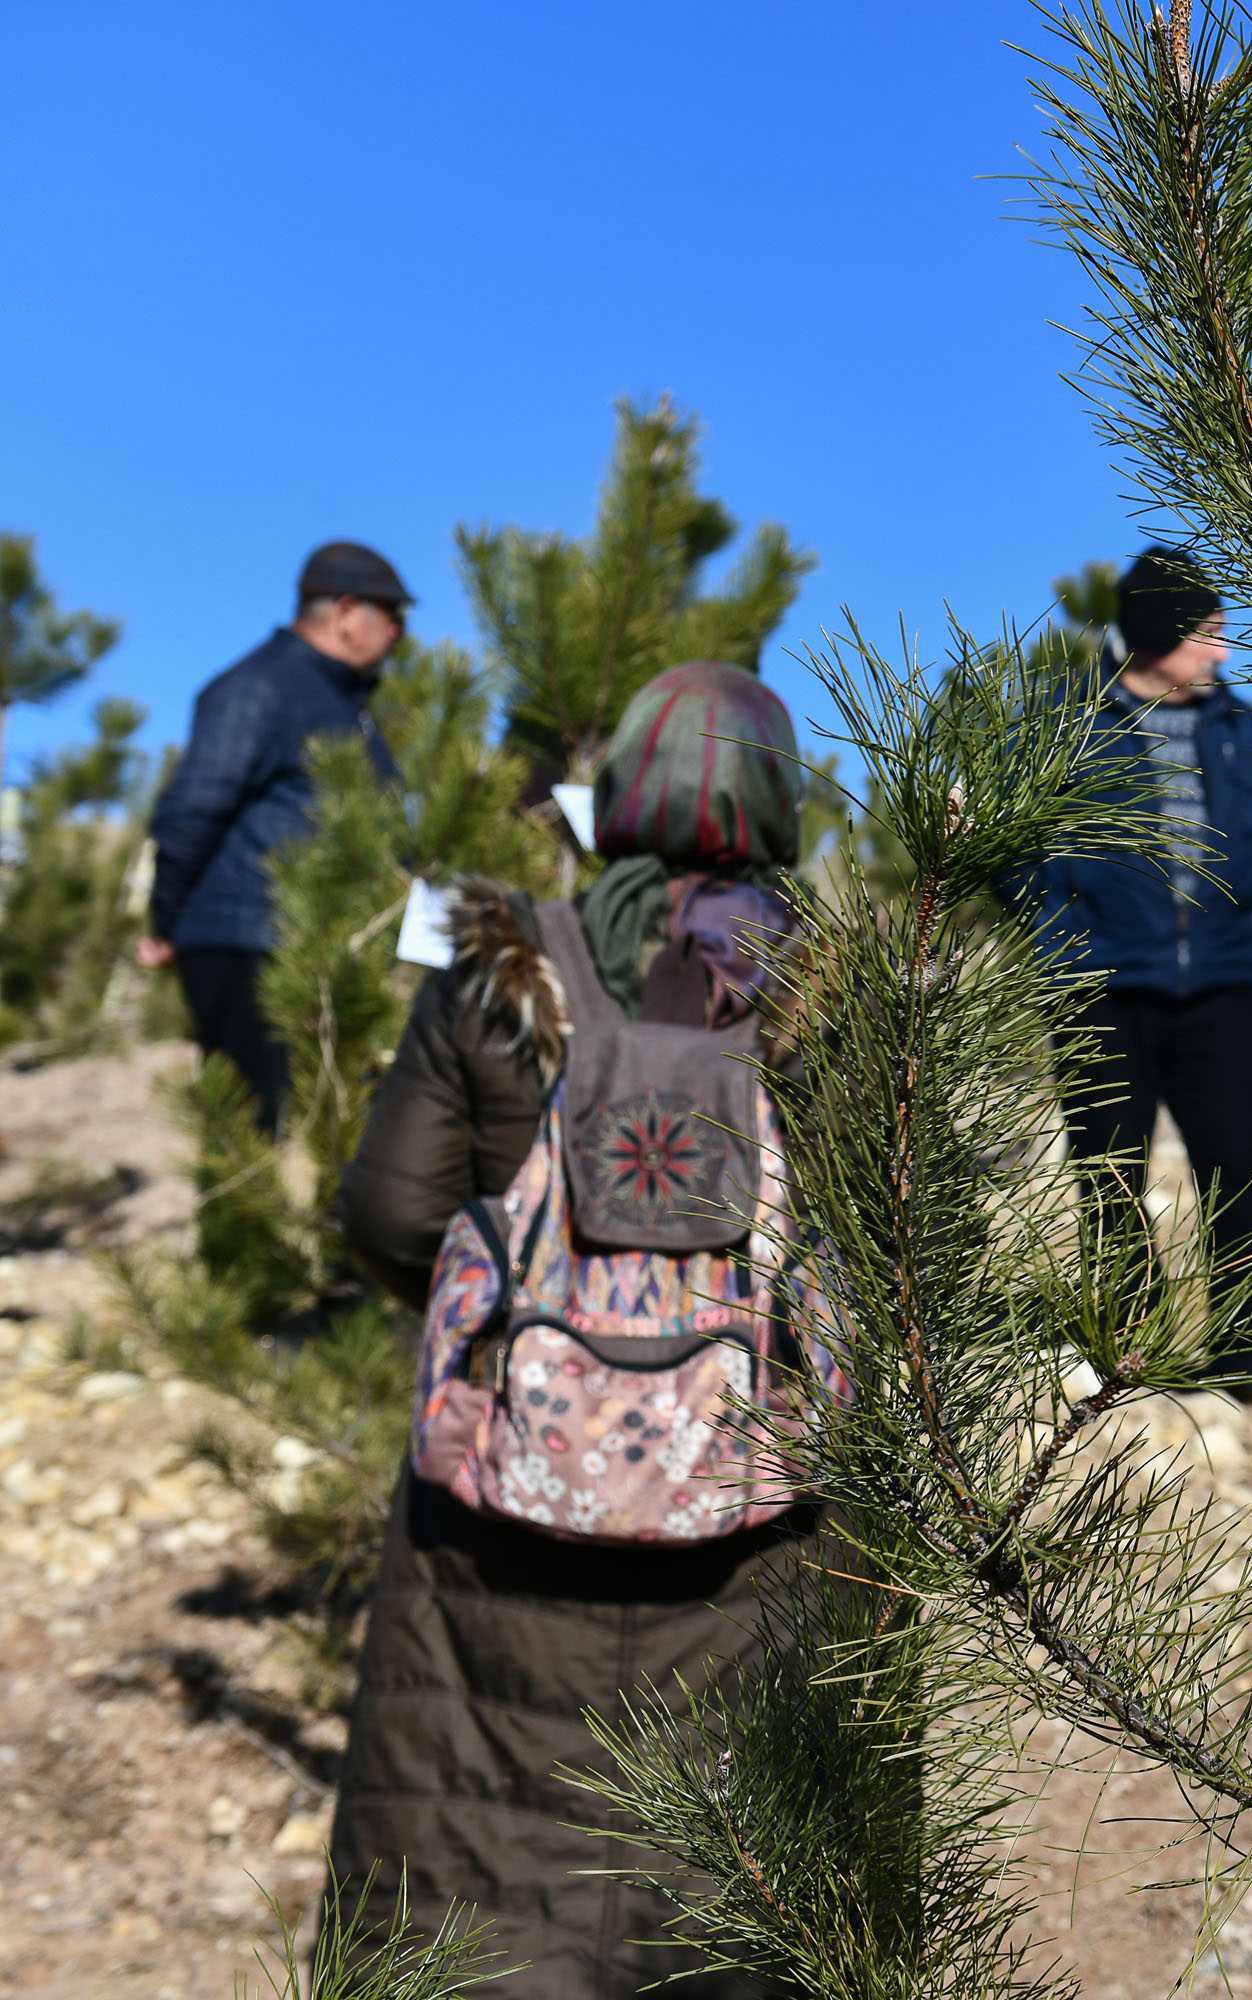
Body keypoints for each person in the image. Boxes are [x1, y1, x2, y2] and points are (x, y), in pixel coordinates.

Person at [325, 662, 814, 1999]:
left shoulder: (498, 965)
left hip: (499, 1516)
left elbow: (385, 1209)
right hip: (753, 1535)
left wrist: (520, 1337)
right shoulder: (833, 990)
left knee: (472, 1909)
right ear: (780, 808)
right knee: (730, 1907)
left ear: (619, 800)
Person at [1027, 547, 1252, 1414]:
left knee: (1239, 1167)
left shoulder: (1241, 728)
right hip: (1101, 985)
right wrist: (1064, 934)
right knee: (1108, 1165)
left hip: (1220, 983)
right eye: (1206, 636)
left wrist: (1226, 919)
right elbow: (1023, 851)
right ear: (1154, 635)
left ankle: (1250, 1345)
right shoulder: (1067, 724)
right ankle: (1127, 1340)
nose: (1221, 653)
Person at [142, 541, 410, 1131]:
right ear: (345, 613)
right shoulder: (258, 688)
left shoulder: (342, 702)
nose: (399, 633)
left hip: (325, 946)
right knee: (253, 1142)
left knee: (335, 1134)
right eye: (393, 616)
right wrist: (164, 923)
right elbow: (193, 809)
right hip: (250, 945)